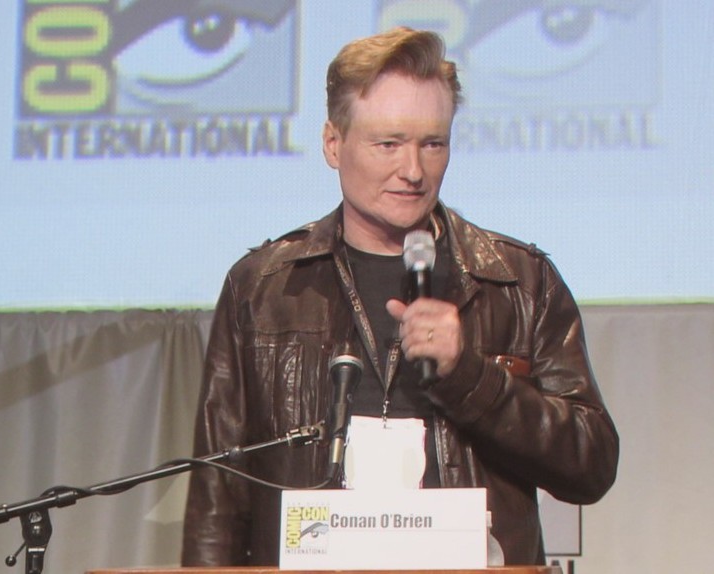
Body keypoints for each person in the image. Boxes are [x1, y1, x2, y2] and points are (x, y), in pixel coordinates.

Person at [181, 27, 618, 566]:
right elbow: (218, 498)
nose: (413, 171)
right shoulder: (263, 288)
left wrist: (471, 377)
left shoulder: (518, 282)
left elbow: (591, 465)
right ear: (333, 144)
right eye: (388, 144)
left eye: (433, 144)